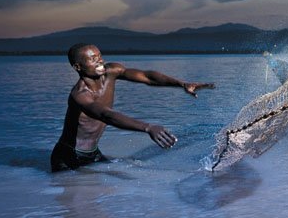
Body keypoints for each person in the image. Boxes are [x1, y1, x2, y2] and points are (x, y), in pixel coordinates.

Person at [51, 43, 214, 172]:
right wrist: (148, 127)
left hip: (93, 153)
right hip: (68, 156)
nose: (99, 61)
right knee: (72, 203)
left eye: (99, 56)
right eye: (92, 59)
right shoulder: (79, 95)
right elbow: (106, 115)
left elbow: (147, 77)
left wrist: (181, 83)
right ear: (78, 67)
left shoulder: (111, 71)